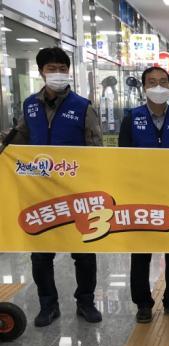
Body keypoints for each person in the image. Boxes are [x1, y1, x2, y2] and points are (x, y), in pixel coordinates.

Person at [9, 47, 102, 327]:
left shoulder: (83, 106)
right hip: (40, 191)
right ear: (41, 72)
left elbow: (96, 148)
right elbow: (21, 138)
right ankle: (48, 305)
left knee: (84, 251)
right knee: (41, 253)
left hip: (76, 191)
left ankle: (85, 301)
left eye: (62, 68)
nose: (58, 73)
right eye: (52, 69)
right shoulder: (30, 105)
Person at [118, 66, 169, 323]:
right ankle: (143, 303)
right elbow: (122, 157)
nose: (158, 87)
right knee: (141, 250)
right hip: (141, 194)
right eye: (152, 82)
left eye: (163, 82)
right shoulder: (132, 118)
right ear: (144, 87)